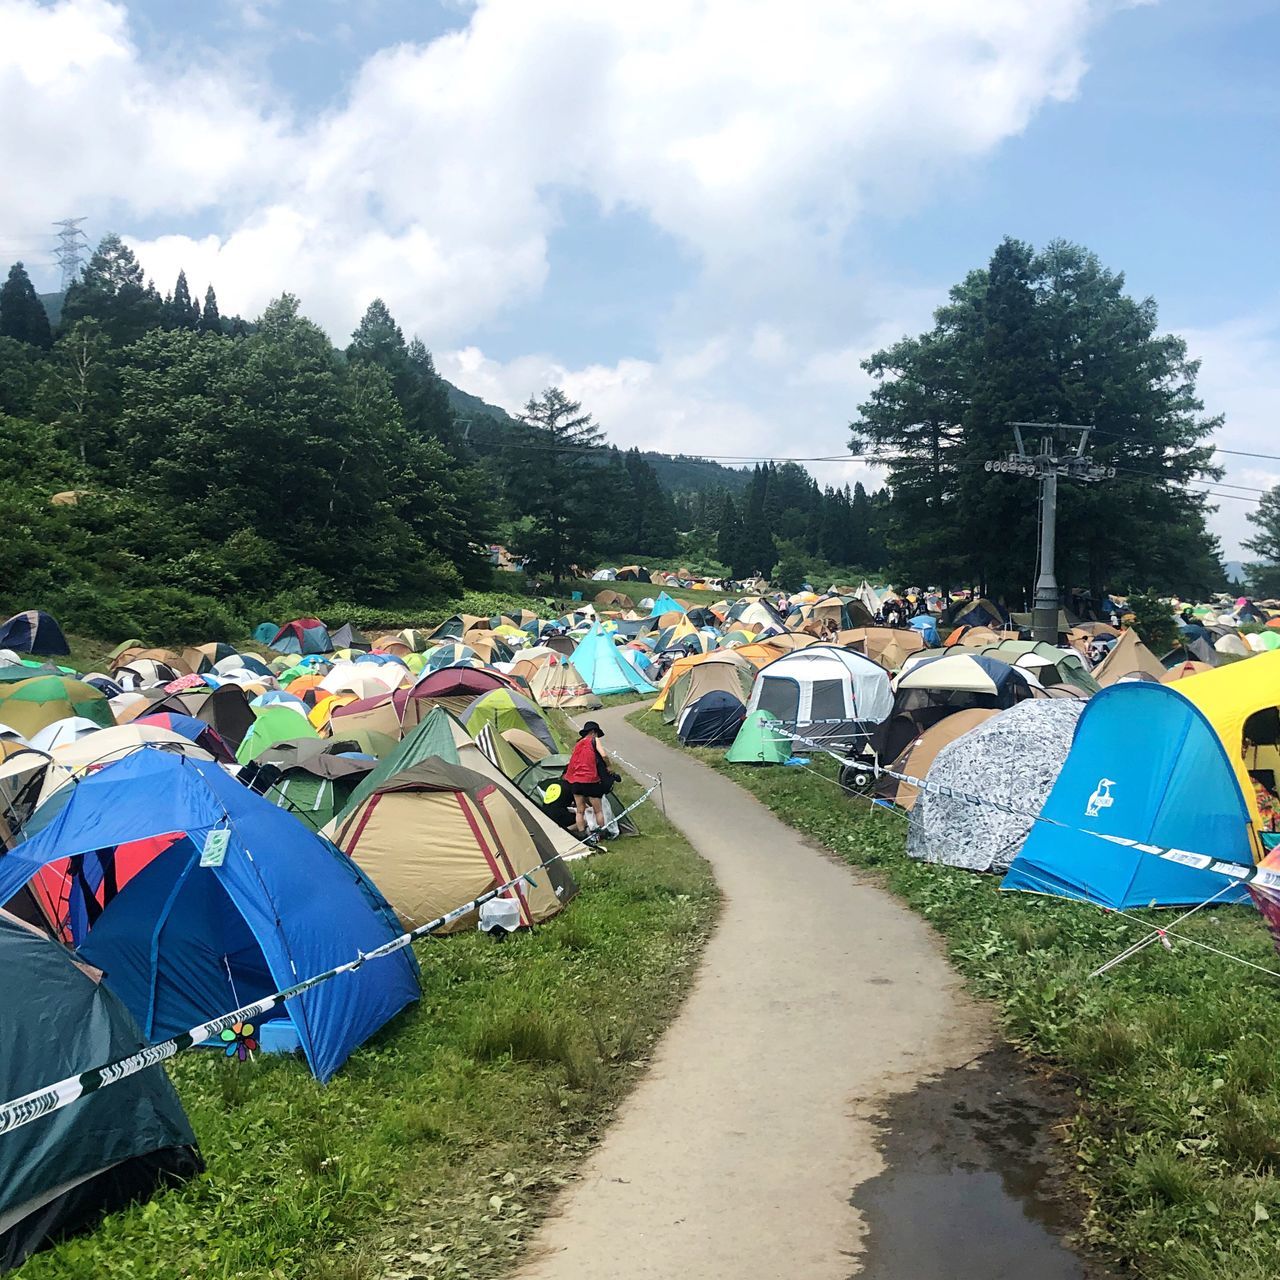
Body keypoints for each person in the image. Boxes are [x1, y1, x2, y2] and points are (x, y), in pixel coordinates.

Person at [565, 720, 615, 842]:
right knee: (598, 810)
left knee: (580, 810)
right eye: (597, 733)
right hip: (590, 780)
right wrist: (608, 766)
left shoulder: (578, 744)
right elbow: (603, 755)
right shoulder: (594, 740)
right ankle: (602, 832)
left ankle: (582, 834)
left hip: (575, 780)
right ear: (593, 732)